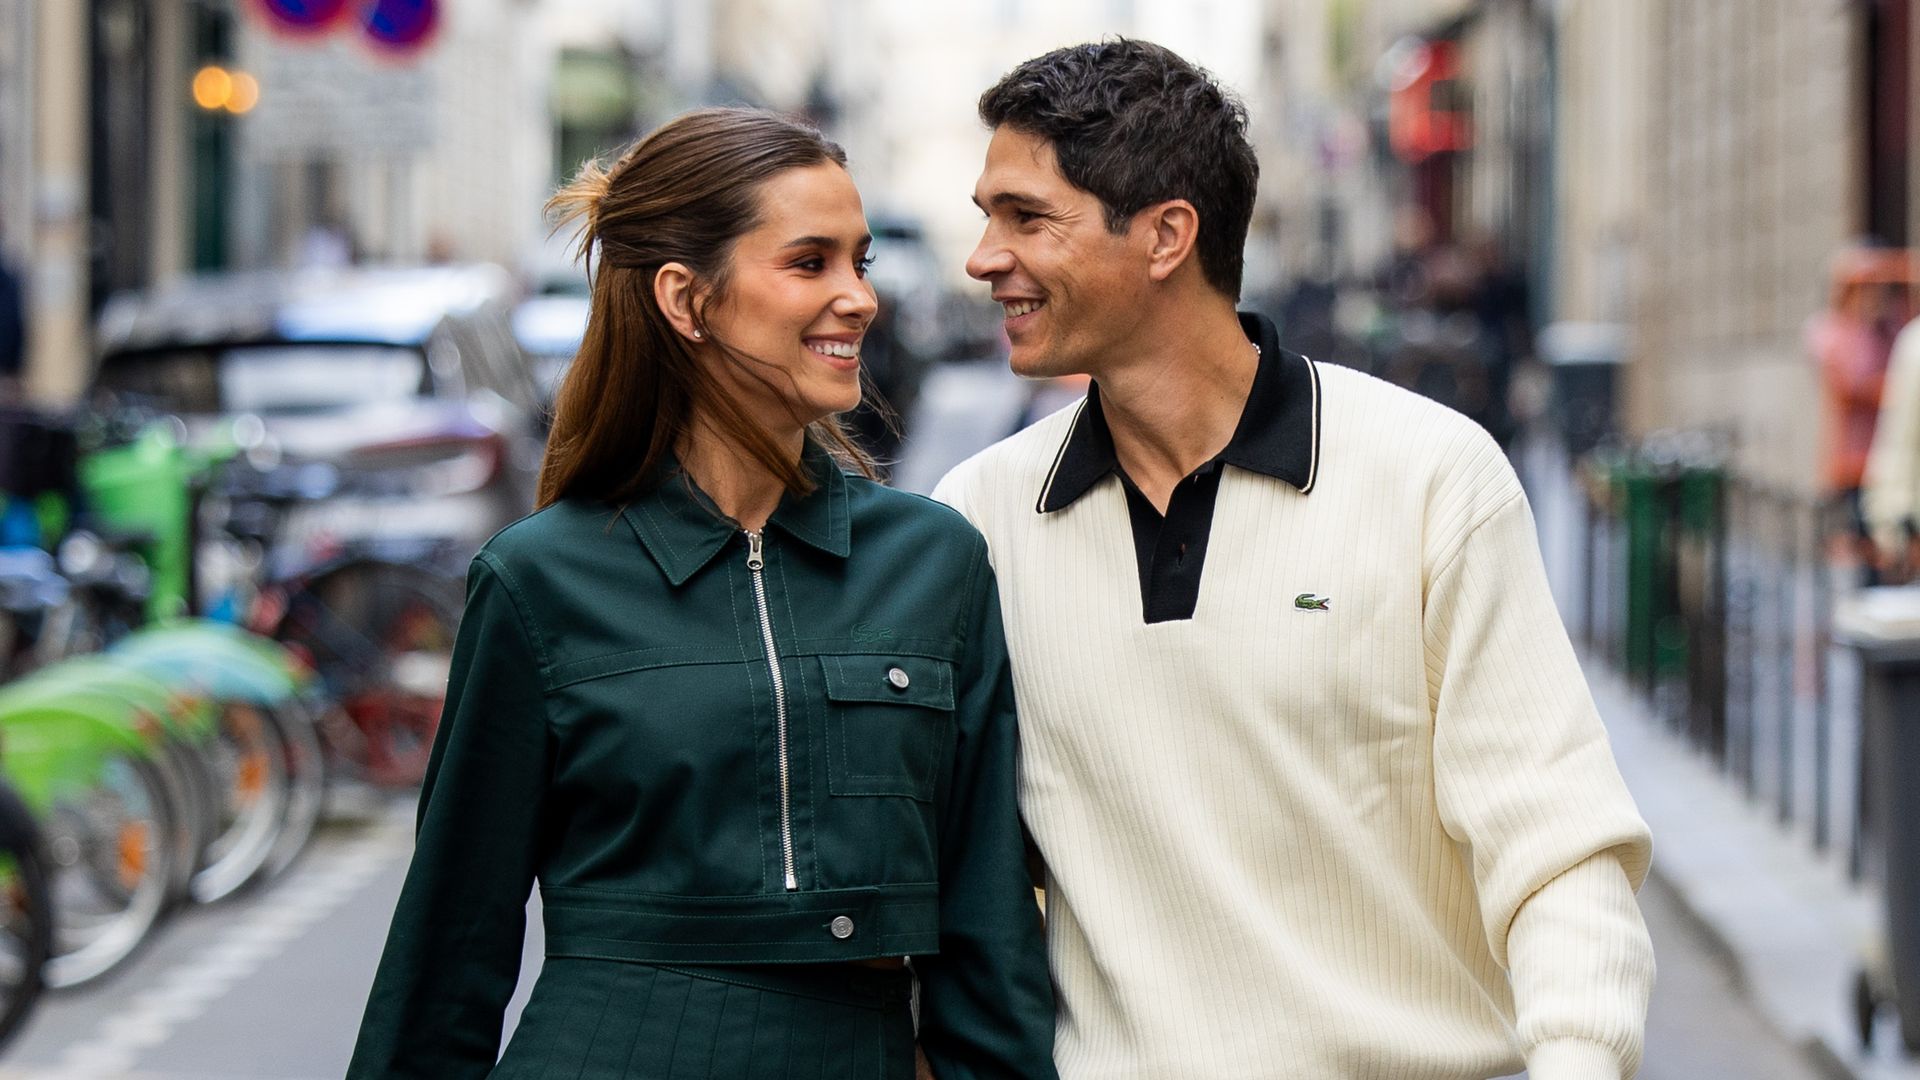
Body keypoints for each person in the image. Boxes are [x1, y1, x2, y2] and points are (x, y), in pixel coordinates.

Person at [935, 40, 1654, 1079]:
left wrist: (1579, 1059)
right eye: (986, 215)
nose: (983, 256)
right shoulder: (980, 520)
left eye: (1026, 217)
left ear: (1166, 235)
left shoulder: (1431, 478)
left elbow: (1559, 853)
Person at [348, 107, 1056, 1080]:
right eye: (811, 263)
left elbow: (989, 935)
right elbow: (447, 953)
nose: (858, 299)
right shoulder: (539, 580)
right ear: (687, 300)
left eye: (862, 263)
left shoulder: (932, 561)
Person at [1809, 245, 1913, 582]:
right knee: (1866, 552)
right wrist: (1905, 392)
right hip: (1855, 462)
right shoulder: (1832, 333)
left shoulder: (1891, 329)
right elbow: (1853, 388)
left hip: (1888, 461)